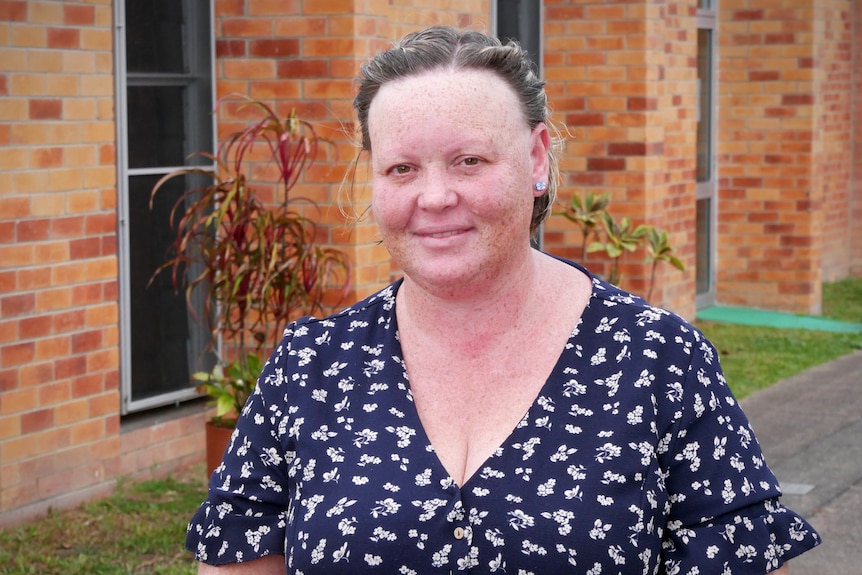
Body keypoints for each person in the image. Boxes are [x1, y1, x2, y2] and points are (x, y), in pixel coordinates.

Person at [186, 25, 820, 574]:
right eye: (402, 168)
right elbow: (238, 555)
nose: (433, 198)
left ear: (537, 158)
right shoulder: (311, 367)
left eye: (468, 161)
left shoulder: (657, 362)